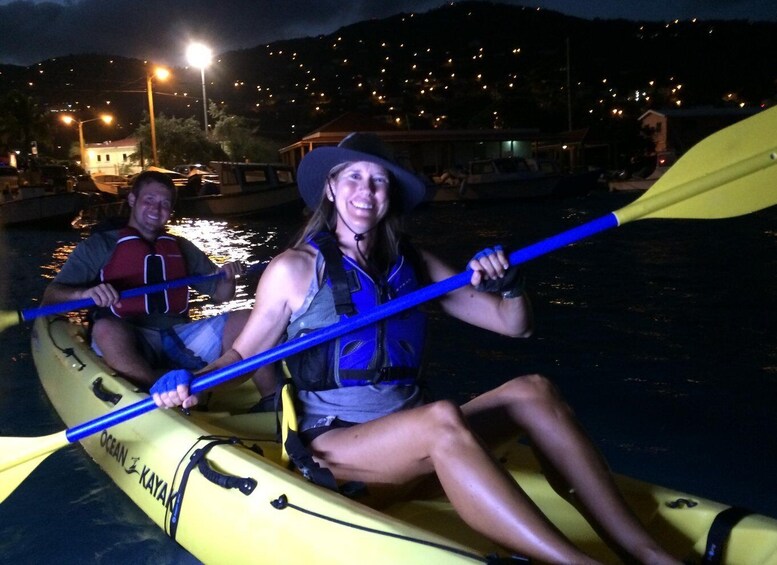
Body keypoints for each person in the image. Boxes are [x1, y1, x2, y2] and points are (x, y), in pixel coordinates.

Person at [150, 134, 678, 564]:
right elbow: (242, 356)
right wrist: (186, 383)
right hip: (337, 452)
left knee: (534, 390)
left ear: (390, 197)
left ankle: (647, 553)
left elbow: (513, 327)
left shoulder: (416, 265)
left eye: (378, 182)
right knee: (440, 416)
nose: (366, 191)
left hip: (418, 442)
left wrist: (509, 284)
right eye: (353, 177)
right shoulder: (293, 269)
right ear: (331, 189)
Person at [42, 170, 252, 390]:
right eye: (149, 200)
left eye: (164, 203)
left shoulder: (181, 247)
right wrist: (85, 294)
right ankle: (163, 392)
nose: (156, 209)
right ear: (133, 199)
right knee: (105, 328)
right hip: (127, 336)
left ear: (170, 210)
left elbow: (222, 295)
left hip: (178, 336)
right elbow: (51, 296)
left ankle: (251, 394)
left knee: (248, 319)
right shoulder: (99, 246)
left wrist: (228, 278)